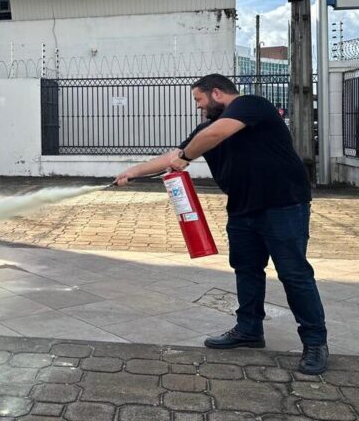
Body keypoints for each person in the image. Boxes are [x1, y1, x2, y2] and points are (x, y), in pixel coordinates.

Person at [115, 73, 328, 375]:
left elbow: (208, 140)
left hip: (283, 205)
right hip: (242, 209)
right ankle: (249, 330)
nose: (198, 107)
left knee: (294, 274)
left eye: (199, 100)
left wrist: (187, 156)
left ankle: (315, 341)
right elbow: (173, 156)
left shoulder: (251, 105)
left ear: (217, 93)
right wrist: (132, 172)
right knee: (247, 270)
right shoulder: (206, 129)